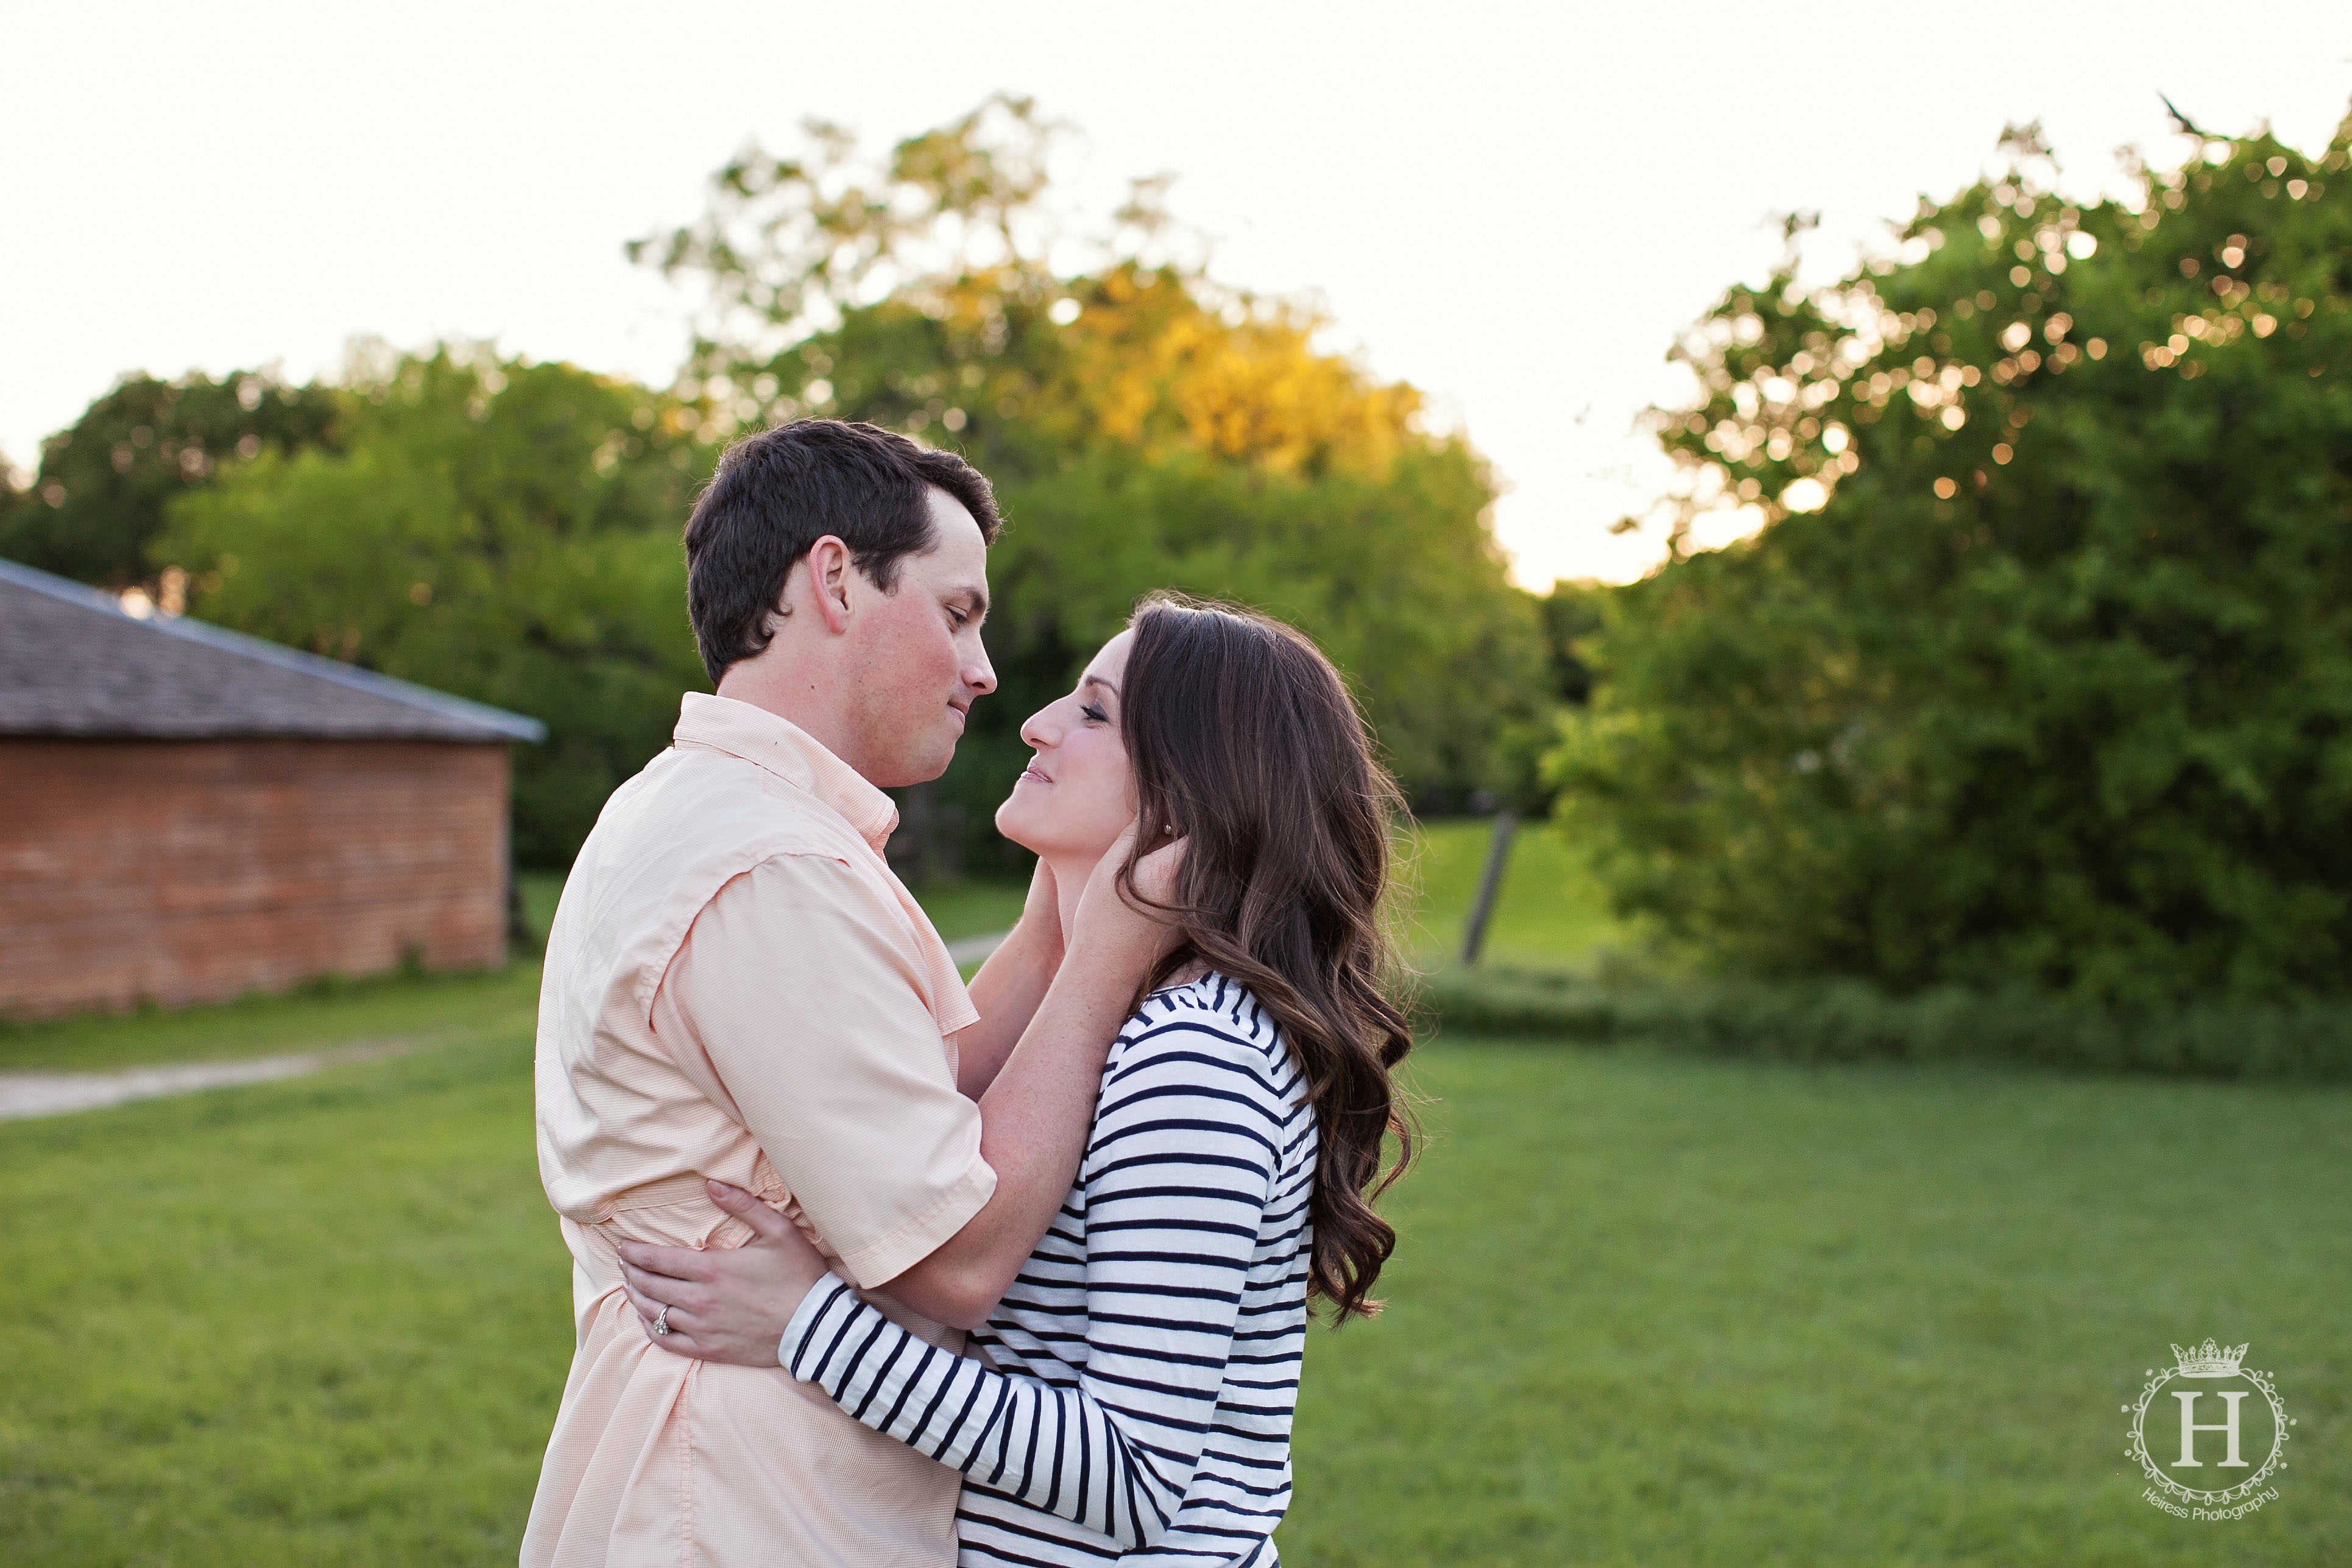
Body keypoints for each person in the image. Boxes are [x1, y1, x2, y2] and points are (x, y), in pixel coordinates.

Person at [615, 597, 1416, 1567]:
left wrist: (806, 1325)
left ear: (1189, 792)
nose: (1034, 721)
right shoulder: (1121, 1022)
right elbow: (939, 1140)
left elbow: (1132, 1478)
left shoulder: (1193, 1057)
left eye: (1090, 712)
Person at [523, 418, 1178, 1568]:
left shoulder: (689, 809)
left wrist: (1047, 915)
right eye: (958, 613)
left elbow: (895, 1114)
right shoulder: (774, 869)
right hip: (741, 1511)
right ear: (833, 579)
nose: (983, 671)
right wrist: (1102, 961)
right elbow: (958, 1257)